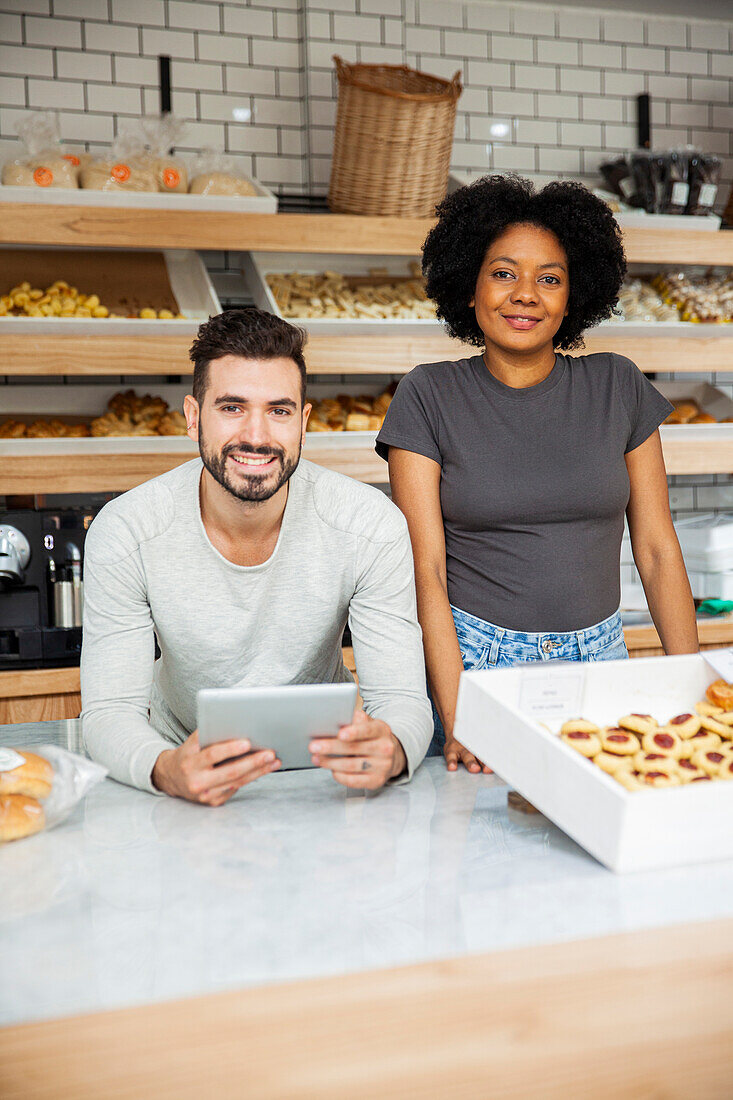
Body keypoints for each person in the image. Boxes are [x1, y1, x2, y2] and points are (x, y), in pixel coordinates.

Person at [376, 175, 698, 774]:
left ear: (574, 298)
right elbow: (427, 573)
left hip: (601, 660)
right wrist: (458, 713)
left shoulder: (619, 385)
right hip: (476, 666)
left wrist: (691, 694)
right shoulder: (428, 395)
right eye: (503, 273)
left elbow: (656, 550)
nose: (525, 294)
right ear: (468, 288)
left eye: (549, 278)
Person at [81, 308, 432, 804]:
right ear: (192, 417)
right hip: (178, 767)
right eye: (231, 407)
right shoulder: (125, 529)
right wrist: (165, 770)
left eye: (279, 410)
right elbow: (108, 712)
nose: (257, 435)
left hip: (329, 778)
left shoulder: (370, 524)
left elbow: (401, 700)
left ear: (304, 422)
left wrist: (392, 749)